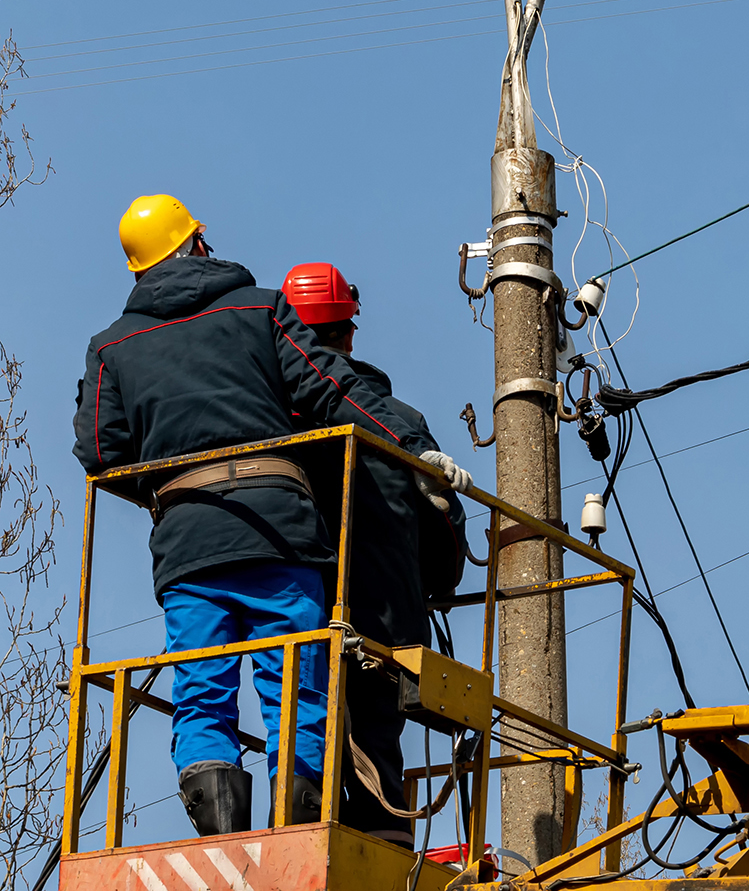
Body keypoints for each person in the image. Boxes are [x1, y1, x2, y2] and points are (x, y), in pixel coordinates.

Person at [72, 195, 470, 838]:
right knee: (297, 690)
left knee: (200, 691)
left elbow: (100, 452)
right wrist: (417, 455)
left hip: (187, 545)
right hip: (278, 537)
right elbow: (331, 390)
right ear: (196, 245)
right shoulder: (258, 309)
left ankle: (221, 840)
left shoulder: (111, 347)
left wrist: (174, 481)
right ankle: (299, 832)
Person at [281, 261, 469, 846]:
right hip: (388, 625)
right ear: (349, 333)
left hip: (296, 615)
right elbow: (445, 556)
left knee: (297, 723)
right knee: (374, 743)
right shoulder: (402, 425)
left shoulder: (265, 418)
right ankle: (382, 840)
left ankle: (297, 834)